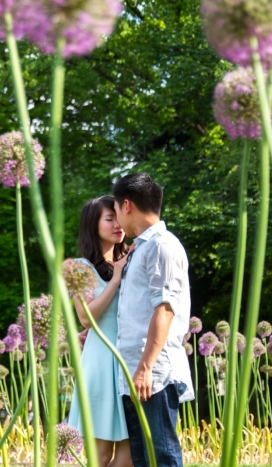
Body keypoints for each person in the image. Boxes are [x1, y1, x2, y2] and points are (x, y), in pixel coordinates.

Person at [112, 172, 194, 467]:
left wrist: (146, 368)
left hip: (153, 373)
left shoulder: (163, 246)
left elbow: (166, 308)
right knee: (144, 459)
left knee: (161, 455)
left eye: (116, 211)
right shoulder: (142, 247)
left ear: (127, 205)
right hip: (134, 371)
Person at [67, 195, 133, 467]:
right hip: (102, 364)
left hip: (129, 363)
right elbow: (85, 317)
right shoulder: (77, 267)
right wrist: (116, 279)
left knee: (132, 455)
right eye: (109, 219)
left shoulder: (130, 259)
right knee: (101, 456)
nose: (118, 224)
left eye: (119, 217)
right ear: (92, 225)